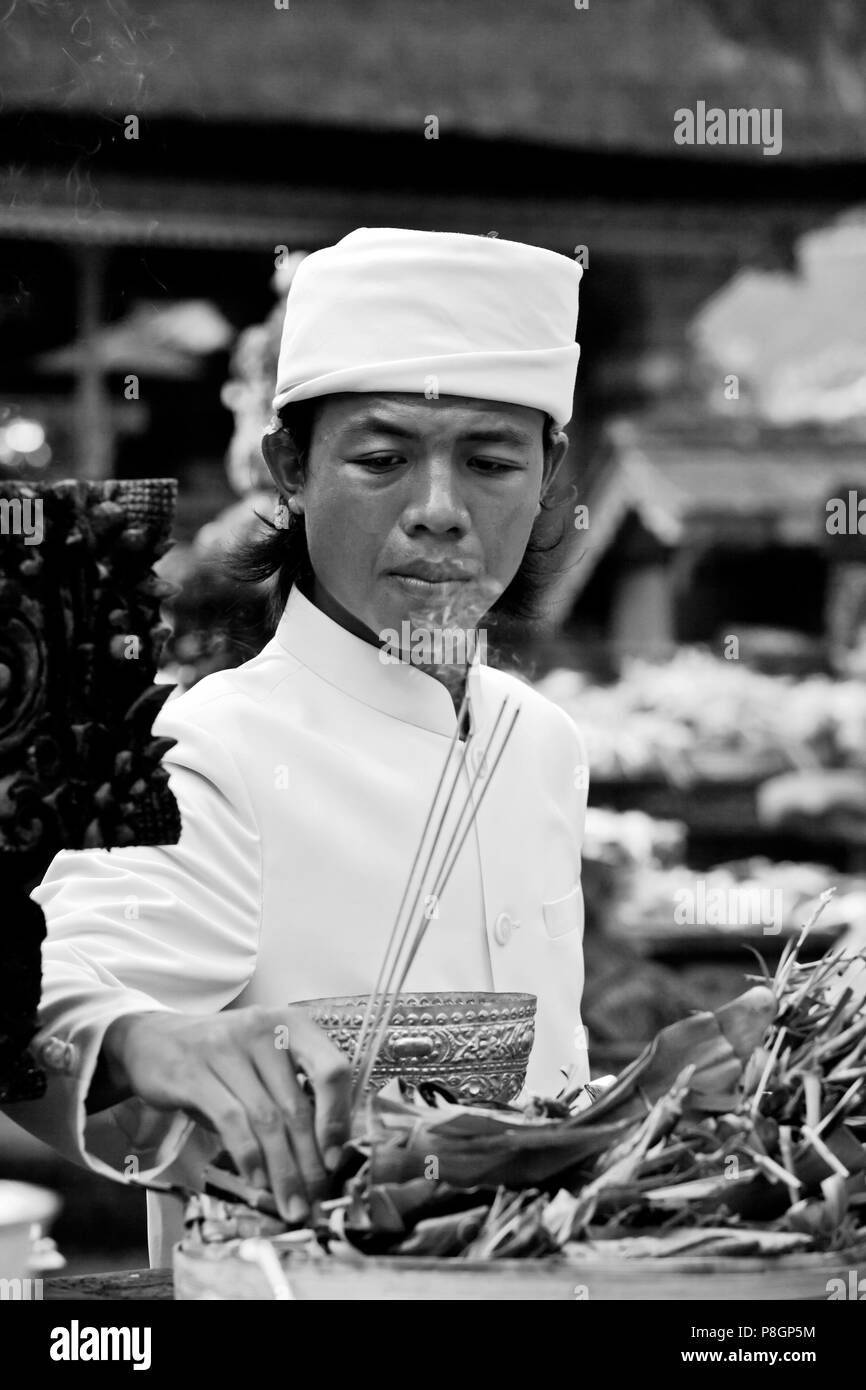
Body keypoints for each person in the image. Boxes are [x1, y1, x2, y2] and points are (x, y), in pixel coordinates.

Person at [3, 227, 588, 1266]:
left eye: (492, 460)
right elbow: (53, 992)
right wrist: (142, 1038)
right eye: (380, 458)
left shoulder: (539, 742)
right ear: (290, 465)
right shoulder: (210, 745)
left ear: (546, 474)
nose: (439, 511)